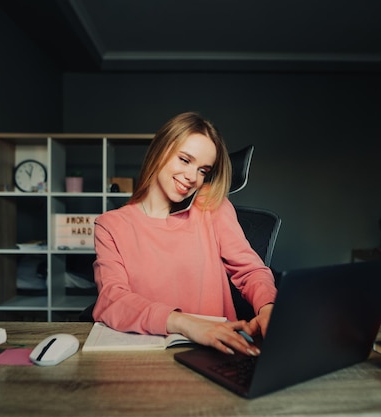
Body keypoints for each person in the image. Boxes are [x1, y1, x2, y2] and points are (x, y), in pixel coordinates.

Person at [92, 112, 276, 356]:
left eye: (203, 170)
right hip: (148, 358)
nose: (192, 177)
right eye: (185, 160)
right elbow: (111, 300)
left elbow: (251, 270)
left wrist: (268, 307)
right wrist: (187, 324)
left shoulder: (212, 207)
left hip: (220, 352)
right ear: (160, 149)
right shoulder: (111, 225)